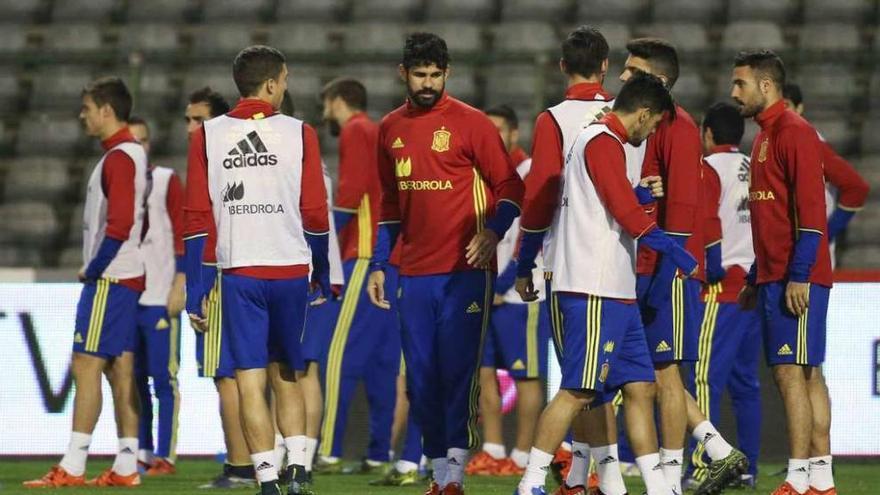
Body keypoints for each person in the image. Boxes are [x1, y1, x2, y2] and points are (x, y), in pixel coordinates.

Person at [515, 72, 696, 495]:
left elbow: (608, 201)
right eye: (652, 126)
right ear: (644, 114)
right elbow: (627, 216)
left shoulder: (597, 142)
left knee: (641, 385)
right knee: (579, 390)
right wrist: (676, 252)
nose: (650, 133)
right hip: (591, 283)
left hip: (615, 286)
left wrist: (640, 195)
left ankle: (657, 486)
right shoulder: (601, 141)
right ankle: (530, 483)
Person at [366, 32, 525, 495]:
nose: (429, 83)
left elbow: (511, 188)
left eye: (436, 74)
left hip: (465, 273)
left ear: (447, 73)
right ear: (404, 74)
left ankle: (453, 474)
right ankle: (438, 474)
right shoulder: (390, 129)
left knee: (457, 374)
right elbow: (391, 203)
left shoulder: (472, 123)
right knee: (419, 379)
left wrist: (493, 231)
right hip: (413, 274)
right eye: (420, 74)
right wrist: (381, 262)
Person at [184, 45, 330, 495]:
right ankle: (300, 472)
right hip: (289, 269)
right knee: (288, 374)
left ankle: (266, 478)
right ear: (271, 84)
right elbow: (314, 212)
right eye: (284, 79)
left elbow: (196, 218)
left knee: (248, 378)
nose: (285, 87)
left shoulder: (206, 136)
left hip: (239, 271)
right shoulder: (300, 133)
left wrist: (197, 288)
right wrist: (321, 270)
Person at [618, 38, 747, 495]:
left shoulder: (678, 127)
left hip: (666, 269)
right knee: (650, 372)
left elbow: (683, 210)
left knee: (666, 373)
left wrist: (666, 273)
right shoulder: (643, 126)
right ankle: (716, 449)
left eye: (632, 71)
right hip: (642, 265)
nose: (622, 77)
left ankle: (671, 477)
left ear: (659, 79)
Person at [512, 26, 622, 494]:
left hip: (569, 261)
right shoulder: (625, 115)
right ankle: (593, 477)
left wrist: (523, 262)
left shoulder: (552, 119)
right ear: (605, 67)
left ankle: (545, 477)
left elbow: (540, 194)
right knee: (599, 378)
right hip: (623, 261)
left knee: (579, 374)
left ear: (562, 67)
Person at [25, 77, 147, 488]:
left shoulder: (119, 159)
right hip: (128, 276)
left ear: (106, 110)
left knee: (86, 363)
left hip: (111, 278)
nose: (83, 115)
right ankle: (127, 466)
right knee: (119, 369)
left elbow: (121, 223)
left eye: (87, 108)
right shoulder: (129, 154)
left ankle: (73, 465)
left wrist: (95, 267)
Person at [732, 50, 836, 495]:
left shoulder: (794, 133)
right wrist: (758, 275)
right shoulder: (762, 137)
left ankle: (797, 476)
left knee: (791, 371)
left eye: (740, 84)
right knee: (806, 372)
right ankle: (821, 479)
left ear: (766, 86)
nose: (733, 92)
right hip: (777, 275)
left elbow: (812, 214)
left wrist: (798, 274)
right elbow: (770, 219)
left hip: (799, 276)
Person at [314, 77, 400, 476]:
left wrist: (318, 244)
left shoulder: (356, 130)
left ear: (339, 101)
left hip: (364, 256)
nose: (324, 112)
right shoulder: (377, 130)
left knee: (337, 356)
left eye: (326, 104)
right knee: (383, 361)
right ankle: (380, 453)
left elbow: (352, 193)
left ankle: (329, 449)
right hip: (390, 259)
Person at [180, 87, 258, 489]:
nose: (192, 128)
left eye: (199, 120)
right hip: (248, 269)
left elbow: (201, 227)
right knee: (247, 372)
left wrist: (198, 285)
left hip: (218, 275)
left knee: (224, 374)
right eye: (189, 120)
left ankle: (240, 467)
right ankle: (260, 462)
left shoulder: (210, 161)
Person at [682, 102, 762, 490]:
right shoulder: (753, 166)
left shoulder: (709, 168)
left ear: (708, 133)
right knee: (746, 383)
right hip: (752, 284)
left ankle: (702, 464)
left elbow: (708, 222)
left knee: (702, 379)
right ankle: (748, 466)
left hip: (721, 285)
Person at [467, 104, 549, 478]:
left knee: (527, 375)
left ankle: (521, 455)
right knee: (484, 371)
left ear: (515, 134)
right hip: (488, 289)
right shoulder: (489, 175)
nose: (495, 137)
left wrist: (503, 283)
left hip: (519, 294)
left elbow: (531, 232)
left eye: (501, 130)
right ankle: (493, 449)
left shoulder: (529, 171)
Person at [126, 116, 186, 476]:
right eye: (133, 141)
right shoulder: (116, 184)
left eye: (143, 141)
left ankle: (167, 454)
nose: (139, 147)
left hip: (160, 295)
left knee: (164, 378)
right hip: (129, 296)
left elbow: (181, 232)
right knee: (133, 378)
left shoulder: (164, 180)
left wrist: (180, 282)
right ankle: (142, 450)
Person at [782, 83, 870, 264]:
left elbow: (857, 187)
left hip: (809, 261)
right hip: (784, 254)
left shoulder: (812, 144)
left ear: (799, 109)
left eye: (786, 106)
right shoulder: (774, 143)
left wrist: (826, 235)